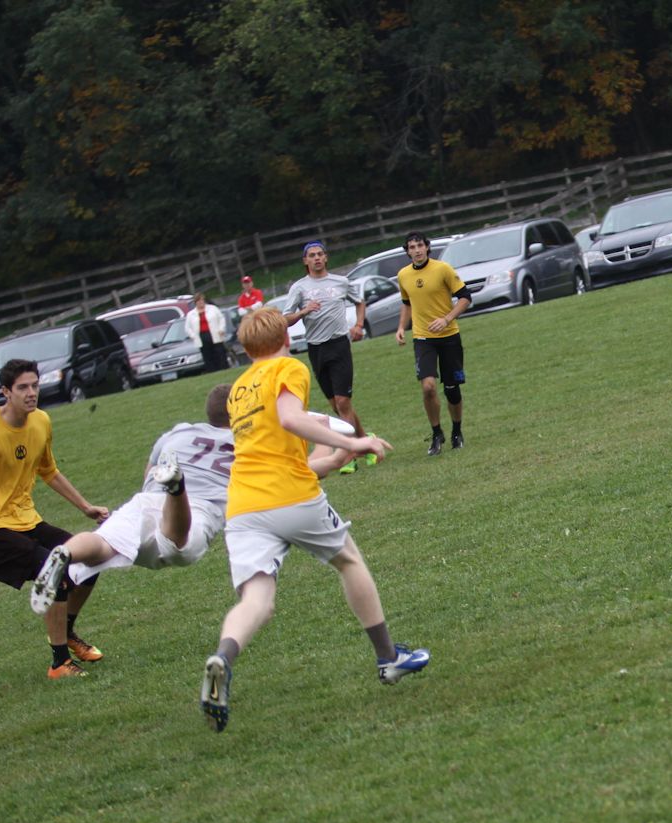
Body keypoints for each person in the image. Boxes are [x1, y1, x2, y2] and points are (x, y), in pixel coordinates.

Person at [200, 307, 429, 733]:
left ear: (247, 348)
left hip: (243, 505)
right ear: (285, 338)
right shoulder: (289, 368)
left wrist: (337, 445)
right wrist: (354, 441)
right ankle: (388, 658)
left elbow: (278, 435)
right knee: (349, 561)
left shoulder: (239, 388)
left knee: (257, 600)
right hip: (289, 494)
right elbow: (291, 419)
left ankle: (223, 658)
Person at [28, 384, 236, 611]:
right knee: (178, 547)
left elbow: (148, 473)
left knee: (102, 545)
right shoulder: (248, 443)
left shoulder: (180, 431)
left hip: (146, 500)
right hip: (197, 507)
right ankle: (177, 489)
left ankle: (66, 552)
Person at [0, 359, 110, 679]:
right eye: (22, 387)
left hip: (27, 521)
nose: (31, 392)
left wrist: (85, 507)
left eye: (35, 386)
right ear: (6, 392)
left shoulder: (41, 421)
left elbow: (48, 470)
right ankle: (59, 663)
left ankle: (66, 632)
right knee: (55, 572)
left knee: (92, 555)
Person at [283, 240, 374, 474]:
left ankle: (349, 454)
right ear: (305, 260)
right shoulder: (299, 288)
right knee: (337, 405)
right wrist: (304, 311)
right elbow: (285, 319)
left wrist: (359, 325)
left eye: (320, 254)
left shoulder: (340, 282)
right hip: (316, 348)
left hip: (339, 345)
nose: (316, 258)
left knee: (343, 402)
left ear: (326, 257)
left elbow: (360, 302)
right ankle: (365, 440)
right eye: (312, 255)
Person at [394, 231, 471, 456]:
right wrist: (401, 327)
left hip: (449, 336)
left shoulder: (443, 269)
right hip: (423, 338)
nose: (417, 250)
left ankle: (457, 431)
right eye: (412, 247)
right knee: (428, 387)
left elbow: (465, 297)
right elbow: (407, 303)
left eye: (420, 245)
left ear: (427, 247)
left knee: (451, 389)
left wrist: (446, 319)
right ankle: (437, 433)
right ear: (407, 252)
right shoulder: (403, 275)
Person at [184, 292, 230, 373]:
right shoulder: (191, 314)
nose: (201, 302)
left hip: (215, 334)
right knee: (207, 355)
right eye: (198, 301)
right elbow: (187, 328)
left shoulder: (213, 309)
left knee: (220, 353)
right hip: (202, 336)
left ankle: (224, 369)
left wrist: (221, 329)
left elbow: (221, 319)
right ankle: (212, 371)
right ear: (195, 303)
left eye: (202, 300)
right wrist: (193, 335)